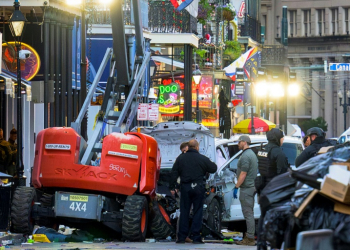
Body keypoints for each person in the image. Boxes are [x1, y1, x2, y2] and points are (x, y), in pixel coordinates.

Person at [170, 139, 217, 244]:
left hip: (185, 188)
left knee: (184, 212)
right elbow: (213, 168)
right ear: (197, 147)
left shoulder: (180, 158)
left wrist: (172, 186)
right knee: (197, 212)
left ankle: (181, 237)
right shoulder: (202, 158)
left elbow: (173, 173)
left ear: (188, 147)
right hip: (198, 188)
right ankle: (196, 237)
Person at [256, 128, 289, 250]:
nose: (283, 140)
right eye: (282, 137)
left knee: (263, 216)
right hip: (275, 190)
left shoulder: (262, 149)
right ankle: (275, 244)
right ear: (277, 138)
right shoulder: (278, 153)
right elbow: (283, 173)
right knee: (277, 217)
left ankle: (261, 243)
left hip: (263, 187)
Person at [233, 135, 258, 246]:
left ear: (244, 142)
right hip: (250, 187)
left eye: (239, 142)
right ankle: (249, 236)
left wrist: (236, 186)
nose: (238, 144)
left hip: (246, 188)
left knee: (248, 214)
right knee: (249, 213)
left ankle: (250, 238)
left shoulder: (246, 156)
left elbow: (243, 174)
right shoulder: (251, 154)